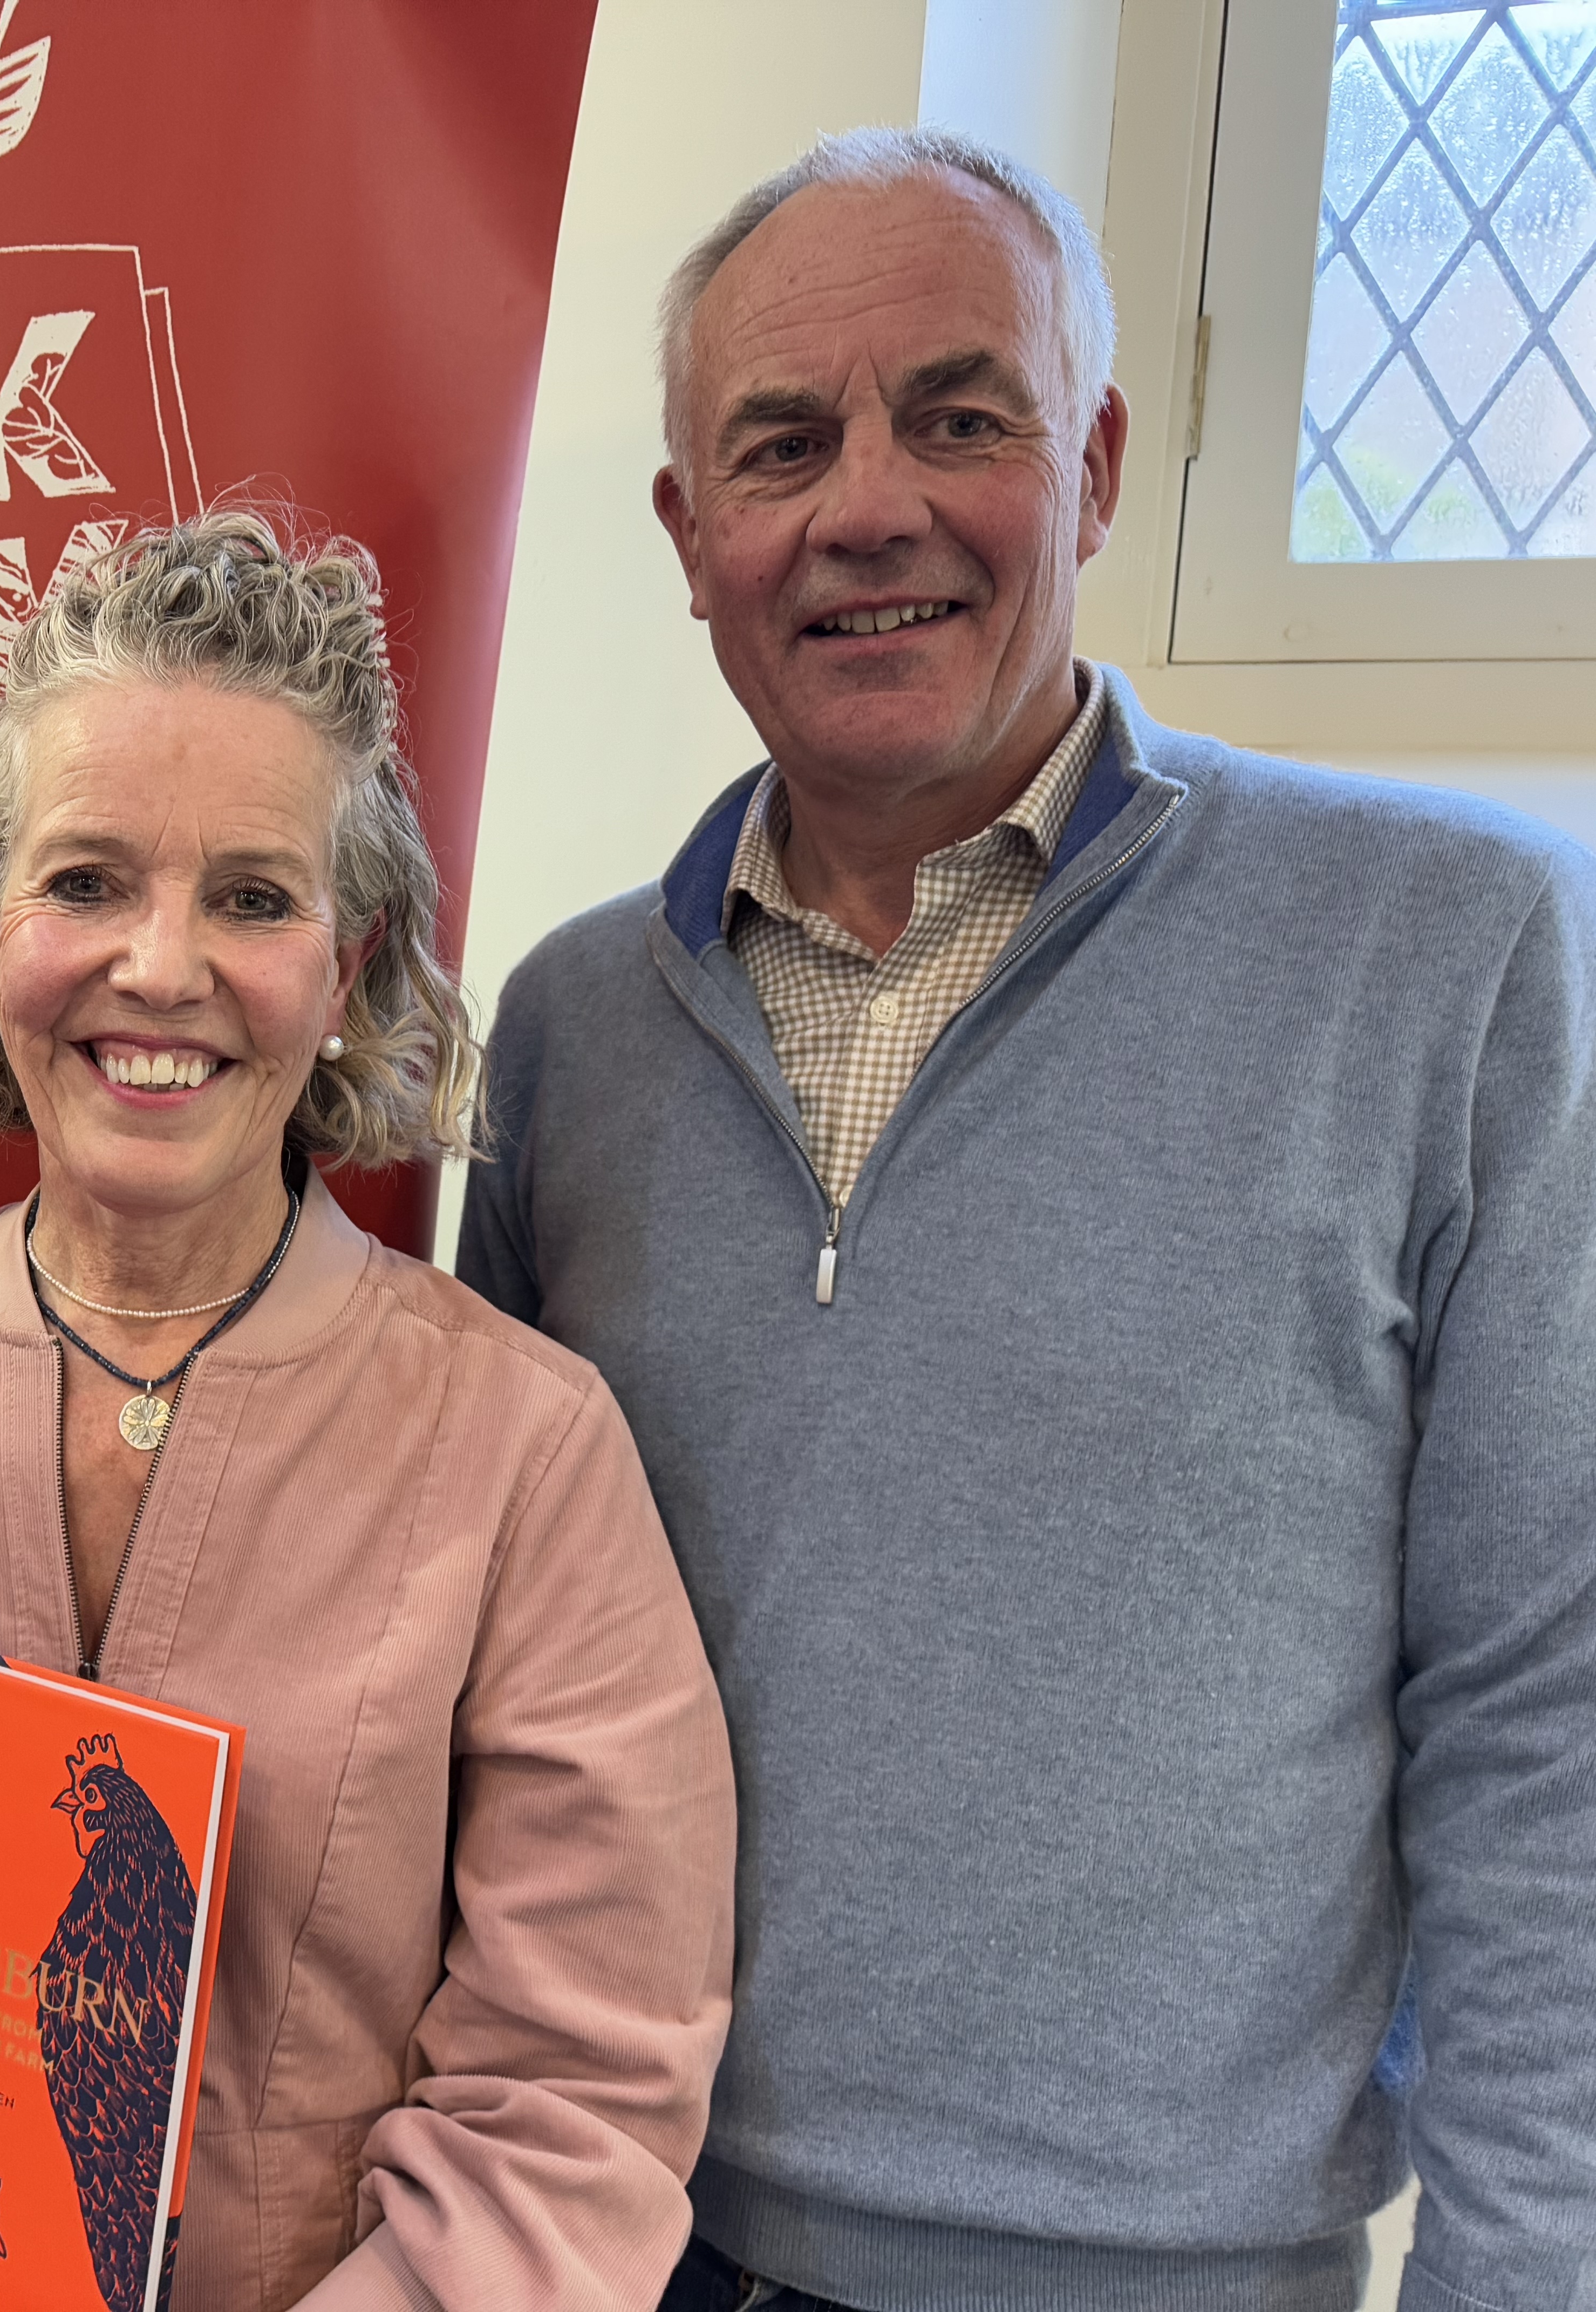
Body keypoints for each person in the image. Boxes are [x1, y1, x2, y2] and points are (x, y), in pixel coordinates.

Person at [460, 124, 1596, 2312]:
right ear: (692, 539)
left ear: (1095, 468)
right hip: (619, 2240)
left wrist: (1518, 2277)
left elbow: (1548, 1715)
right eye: (782, 444)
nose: (868, 506)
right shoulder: (573, 1033)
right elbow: (492, 1692)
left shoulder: (1450, 960)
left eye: (959, 417)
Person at [0, 511, 738, 2311]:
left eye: (254, 897)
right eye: (89, 881)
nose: (164, 967)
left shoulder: (526, 1448)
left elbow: (578, 2096)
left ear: (346, 968)